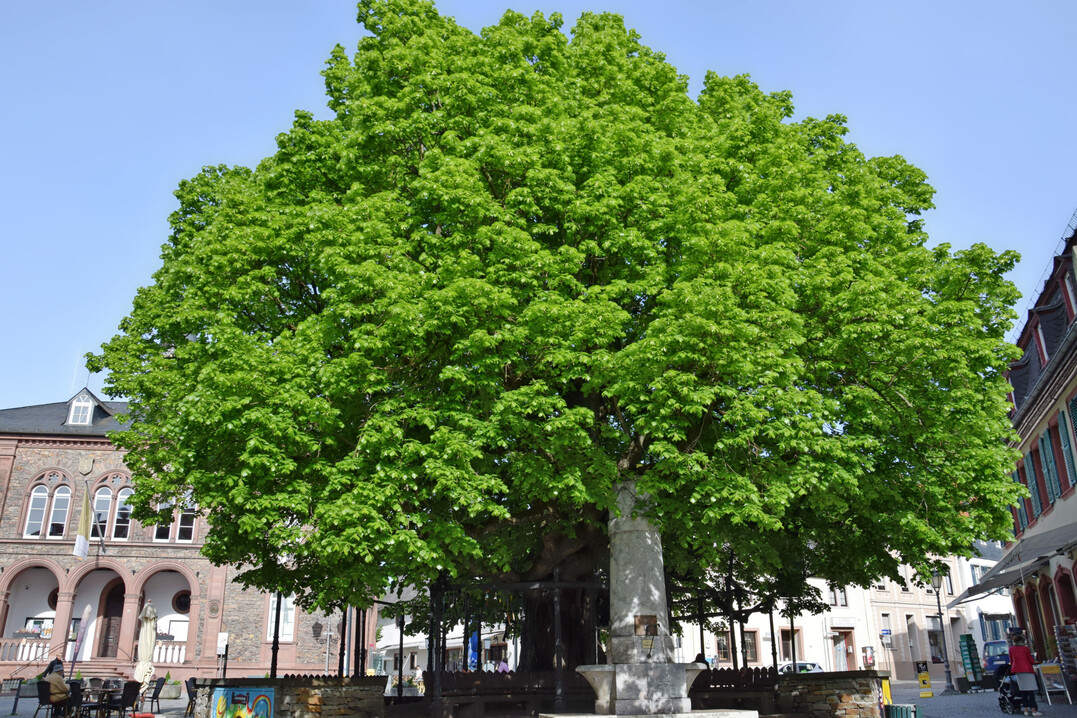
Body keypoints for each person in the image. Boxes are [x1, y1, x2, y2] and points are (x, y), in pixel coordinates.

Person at [1008, 635, 1043, 717]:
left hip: (1018, 670)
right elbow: (1031, 660)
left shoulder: (1011, 649)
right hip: (1027, 670)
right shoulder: (1025, 649)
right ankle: (1034, 710)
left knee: (1023, 690)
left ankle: (1026, 710)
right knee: (1030, 691)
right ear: (1022, 641)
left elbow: (1011, 660)